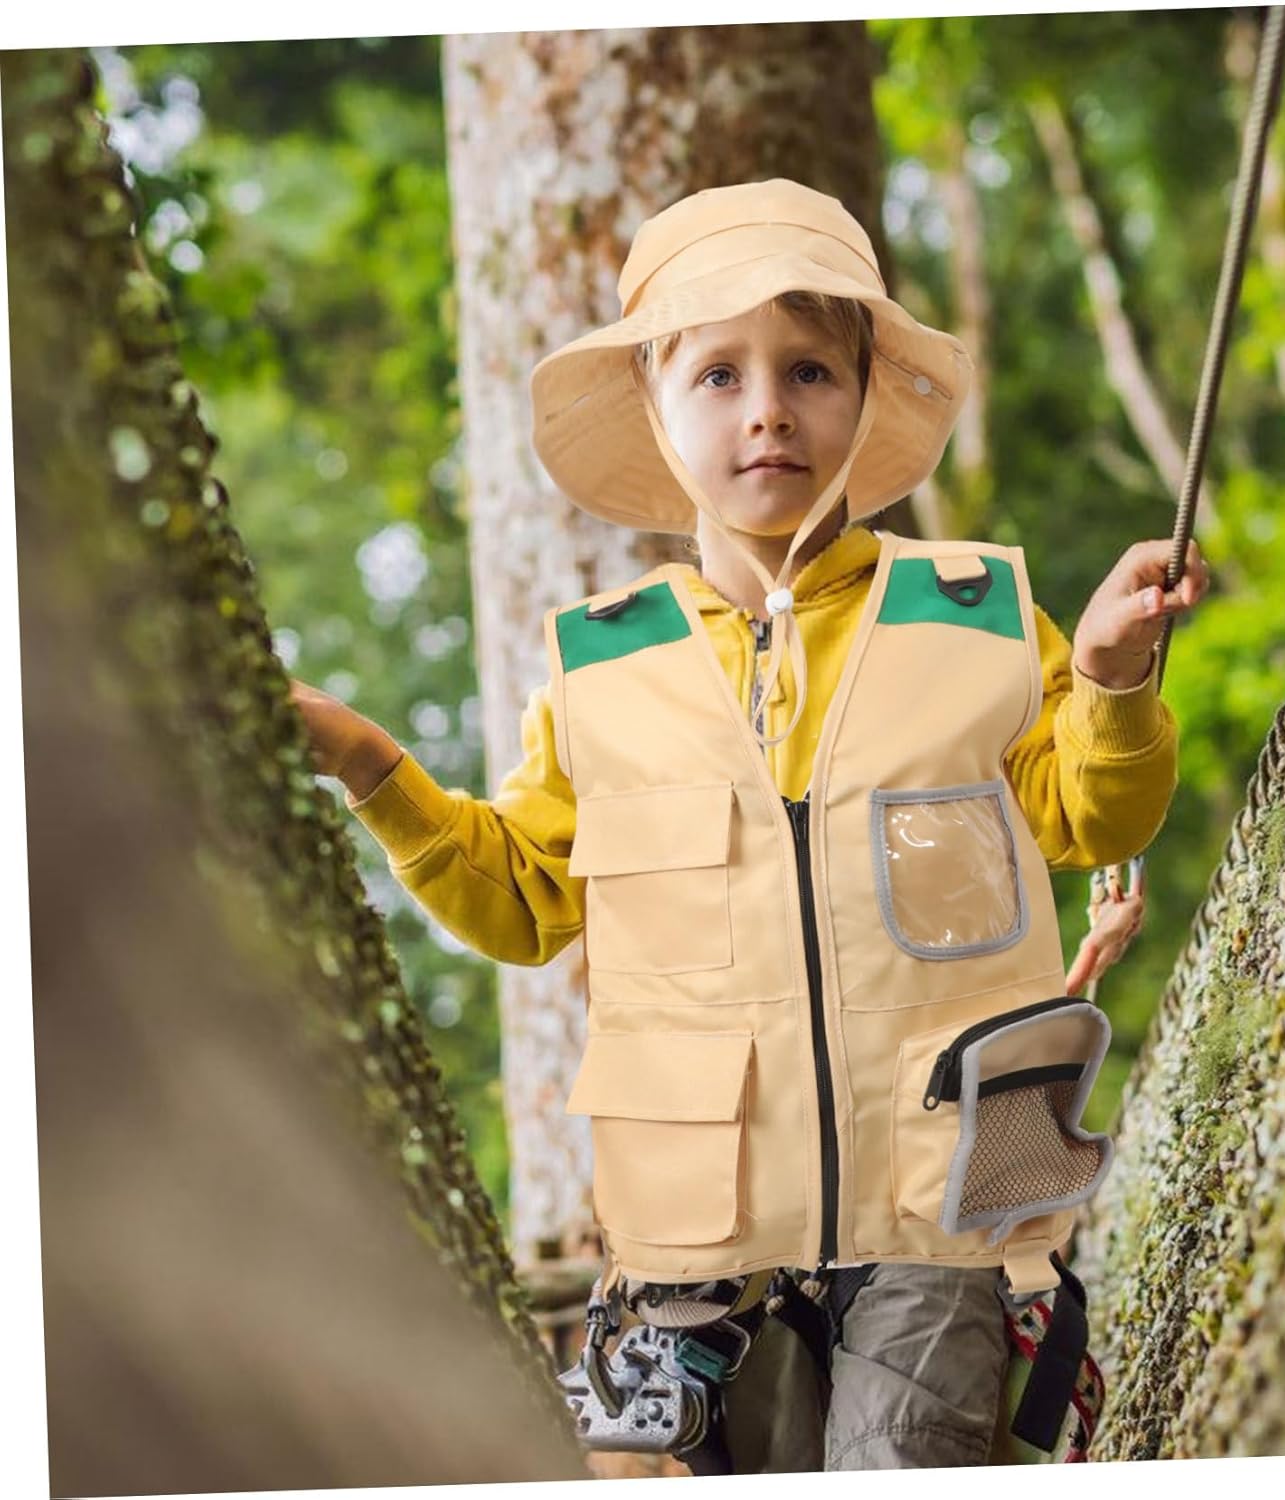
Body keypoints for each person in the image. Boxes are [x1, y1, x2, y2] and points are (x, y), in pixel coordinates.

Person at [289, 177, 1208, 1471]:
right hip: (699, 1272)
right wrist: (365, 761)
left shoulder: (980, 613)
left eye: (810, 370)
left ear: (866, 395)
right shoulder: (601, 668)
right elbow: (520, 902)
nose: (768, 407)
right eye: (718, 375)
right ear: (657, 412)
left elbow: (1092, 814)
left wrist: (1109, 677)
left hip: (946, 1211)